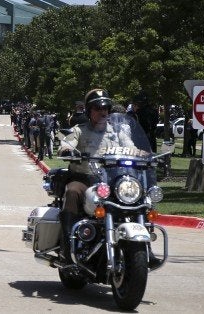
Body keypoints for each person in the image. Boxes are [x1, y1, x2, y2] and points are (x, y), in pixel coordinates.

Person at [57, 89, 139, 264]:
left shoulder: (117, 132)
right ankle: (67, 245)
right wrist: (67, 149)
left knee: (140, 199)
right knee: (72, 191)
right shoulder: (79, 130)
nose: (102, 112)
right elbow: (65, 143)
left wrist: (142, 154)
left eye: (105, 108)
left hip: (113, 180)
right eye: (97, 108)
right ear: (89, 111)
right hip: (84, 179)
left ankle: (143, 249)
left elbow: (131, 148)